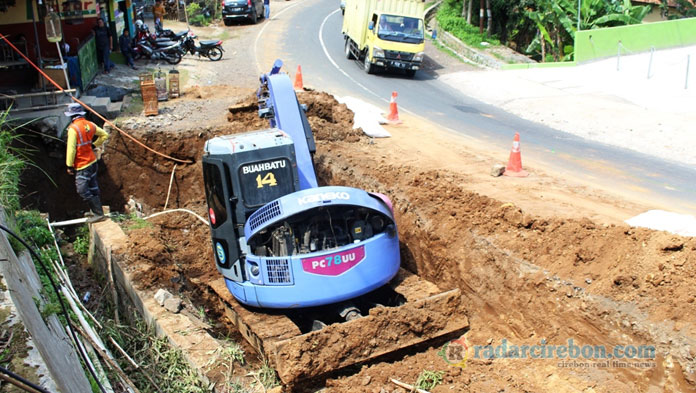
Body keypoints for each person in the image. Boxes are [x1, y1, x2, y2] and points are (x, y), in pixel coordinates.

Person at [64, 103, 110, 223]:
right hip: (92, 162)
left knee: (82, 189)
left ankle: (98, 213)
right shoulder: (90, 125)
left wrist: (69, 165)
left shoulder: (73, 129)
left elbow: (71, 149)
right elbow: (104, 135)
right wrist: (94, 145)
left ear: (72, 116)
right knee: (93, 186)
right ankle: (96, 211)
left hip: (82, 164)